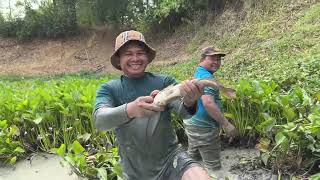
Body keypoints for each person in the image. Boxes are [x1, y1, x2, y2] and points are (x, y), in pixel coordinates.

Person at [93, 30, 211, 180]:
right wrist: (131, 109)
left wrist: (190, 99)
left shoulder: (164, 82)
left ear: (147, 57)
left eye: (140, 53)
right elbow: (100, 120)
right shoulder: (109, 89)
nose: (135, 58)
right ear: (118, 60)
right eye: (128, 54)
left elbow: (185, 112)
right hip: (135, 171)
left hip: (171, 160)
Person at [184, 46, 237, 171]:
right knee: (213, 168)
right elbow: (208, 103)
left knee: (193, 159)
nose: (216, 62)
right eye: (212, 58)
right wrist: (226, 124)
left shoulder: (200, 73)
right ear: (202, 59)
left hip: (192, 125)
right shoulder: (206, 78)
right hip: (204, 130)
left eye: (218, 59)